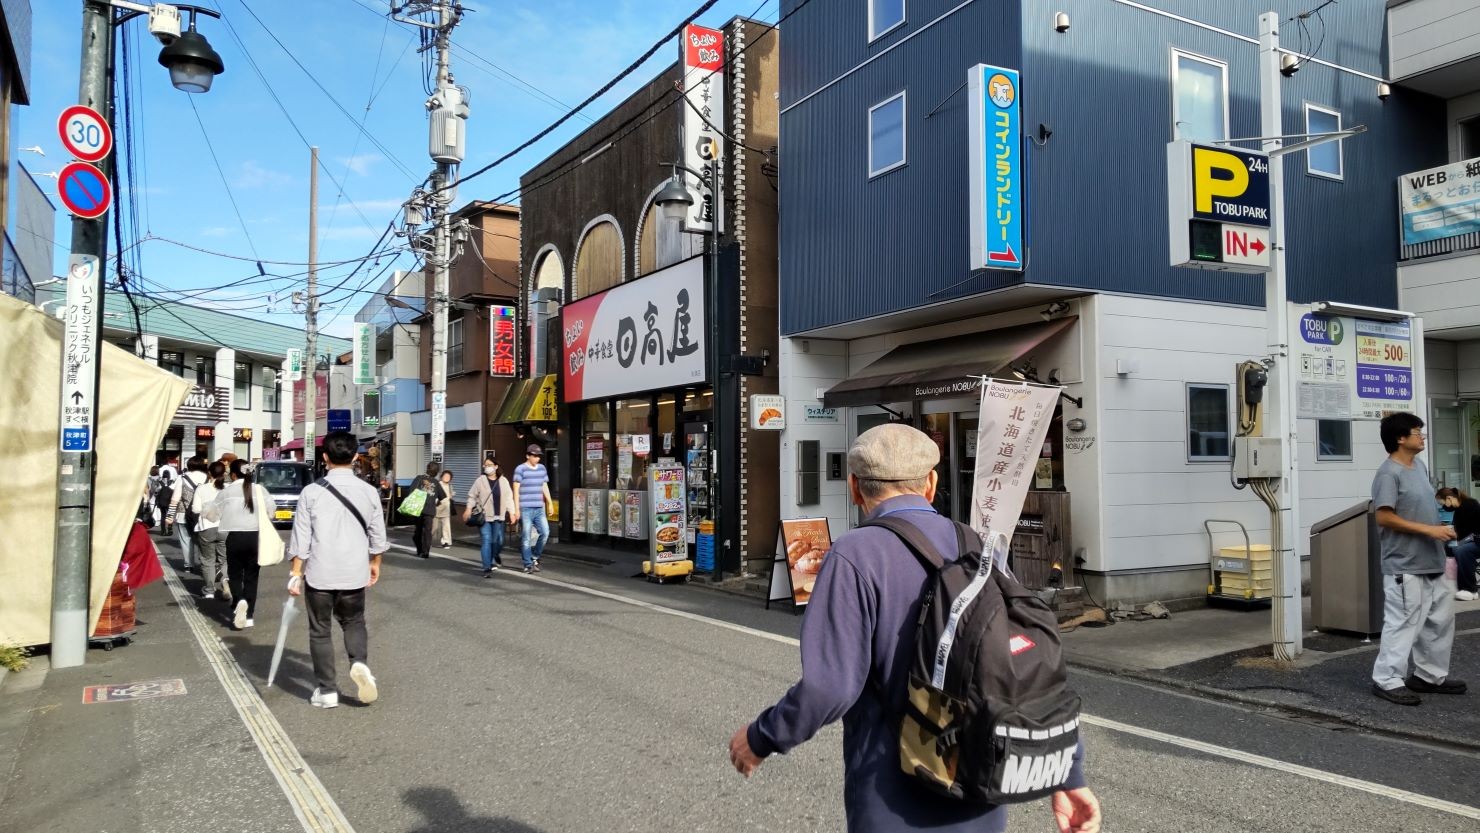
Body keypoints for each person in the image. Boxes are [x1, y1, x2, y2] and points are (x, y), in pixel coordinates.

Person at [727, 424, 1100, 833]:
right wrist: (1068, 774)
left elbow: (829, 687)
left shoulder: (854, 556)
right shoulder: (977, 545)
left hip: (892, 799)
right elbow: (1029, 669)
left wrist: (762, 737)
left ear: (855, 488)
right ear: (931, 483)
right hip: (979, 792)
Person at [286, 430, 387, 709]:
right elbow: (378, 536)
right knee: (354, 621)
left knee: (320, 630)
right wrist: (375, 564)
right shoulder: (368, 492)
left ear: (325, 457)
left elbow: (301, 538)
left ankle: (327, 691)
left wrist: (296, 573)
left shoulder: (311, 492)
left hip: (319, 574)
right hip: (354, 572)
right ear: (355, 457)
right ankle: (359, 663)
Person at [1370, 413, 1466, 705]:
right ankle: (1386, 679)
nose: (1422, 436)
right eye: (1417, 432)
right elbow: (1384, 516)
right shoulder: (1388, 473)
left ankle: (1428, 676)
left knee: (1439, 621)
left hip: (1433, 559)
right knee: (1403, 622)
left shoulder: (1419, 467)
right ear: (1400, 439)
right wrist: (1430, 530)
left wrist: (1442, 530)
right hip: (1404, 563)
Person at [207, 458, 271, 630]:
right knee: (252, 576)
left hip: (234, 538)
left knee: (235, 574)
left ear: (233, 475)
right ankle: (249, 616)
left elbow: (212, 515)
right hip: (255, 538)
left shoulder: (227, 492)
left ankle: (239, 600)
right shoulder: (259, 490)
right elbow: (271, 512)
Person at [463, 456, 517, 578]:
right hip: (485, 517)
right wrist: (468, 508)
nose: (486, 467)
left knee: (498, 541)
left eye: (489, 465)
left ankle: (495, 555)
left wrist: (512, 512)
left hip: (499, 516)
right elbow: (472, 496)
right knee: (487, 540)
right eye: (485, 465)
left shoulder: (503, 481)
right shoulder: (480, 480)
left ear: (496, 466)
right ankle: (487, 567)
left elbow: (509, 498)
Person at [512, 444, 553, 574]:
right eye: (534, 456)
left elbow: (544, 486)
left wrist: (550, 503)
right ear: (528, 456)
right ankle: (528, 564)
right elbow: (516, 489)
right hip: (525, 508)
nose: (537, 458)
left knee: (545, 532)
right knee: (526, 537)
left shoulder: (542, 468)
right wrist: (516, 508)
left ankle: (534, 557)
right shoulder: (520, 469)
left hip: (539, 507)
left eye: (538, 456)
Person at [193, 461, 230, 602]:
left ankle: (209, 590)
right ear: (224, 473)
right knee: (224, 559)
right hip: (225, 527)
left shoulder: (202, 489)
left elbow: (196, 509)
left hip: (206, 527)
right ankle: (225, 580)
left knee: (207, 560)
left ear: (209, 473)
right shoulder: (227, 489)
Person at [165, 456, 208, 571]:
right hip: (202, 515)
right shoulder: (207, 478)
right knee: (202, 541)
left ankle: (189, 565)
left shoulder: (182, 478)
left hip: (183, 514)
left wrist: (169, 516)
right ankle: (205, 565)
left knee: (186, 540)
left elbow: (175, 498)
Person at [1437, 487, 1480, 601]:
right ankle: (1448, 585)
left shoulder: (1470, 505)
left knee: (1462, 550)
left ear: (1449, 498)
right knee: (1446, 548)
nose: (1443, 507)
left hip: (1477, 540)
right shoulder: (1459, 510)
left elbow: (1466, 532)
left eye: (1442, 503)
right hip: (1472, 541)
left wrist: (1453, 534)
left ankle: (1470, 589)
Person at [409, 462, 446, 559]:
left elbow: (411, 491)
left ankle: (422, 550)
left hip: (419, 509)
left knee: (419, 531)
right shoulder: (434, 482)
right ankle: (425, 552)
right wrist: (435, 502)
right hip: (427, 509)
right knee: (426, 531)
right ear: (436, 472)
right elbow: (442, 497)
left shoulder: (419, 479)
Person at [435, 470, 456, 548]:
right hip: (437, 508)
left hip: (446, 508)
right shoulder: (438, 484)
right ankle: (426, 540)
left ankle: (445, 542)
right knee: (434, 527)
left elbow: (450, 494)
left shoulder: (450, 486)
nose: (447, 478)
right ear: (441, 477)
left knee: (446, 527)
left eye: (449, 477)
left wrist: (451, 494)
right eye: (445, 476)